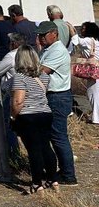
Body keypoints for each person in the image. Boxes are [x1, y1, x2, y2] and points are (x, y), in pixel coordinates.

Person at [10, 46, 58, 193]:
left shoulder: (19, 77)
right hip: (45, 114)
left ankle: (37, 183)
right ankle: (53, 179)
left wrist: (13, 116)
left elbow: (18, 101)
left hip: (28, 116)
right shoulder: (43, 76)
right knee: (46, 147)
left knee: (34, 150)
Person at [37, 21, 77, 185]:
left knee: (59, 137)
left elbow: (42, 71)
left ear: (54, 33)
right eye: (39, 35)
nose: (40, 38)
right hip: (52, 96)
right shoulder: (48, 49)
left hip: (58, 96)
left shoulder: (58, 50)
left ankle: (69, 175)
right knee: (54, 136)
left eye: (43, 35)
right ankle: (63, 171)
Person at [75, 22, 99, 123]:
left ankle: (96, 118)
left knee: (93, 94)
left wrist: (71, 30)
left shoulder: (88, 41)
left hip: (94, 72)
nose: (82, 30)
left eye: (84, 28)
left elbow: (76, 41)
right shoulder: (96, 41)